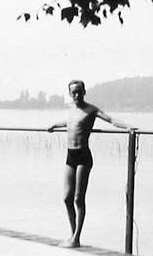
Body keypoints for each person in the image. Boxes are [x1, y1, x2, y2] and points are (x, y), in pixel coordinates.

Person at [46, 80, 135, 247]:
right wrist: (54, 125)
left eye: (79, 92)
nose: (77, 95)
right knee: (66, 198)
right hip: (70, 156)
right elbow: (69, 123)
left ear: (84, 91)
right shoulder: (71, 109)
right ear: (70, 94)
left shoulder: (91, 110)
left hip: (83, 157)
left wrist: (130, 127)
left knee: (79, 199)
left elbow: (111, 120)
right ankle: (73, 235)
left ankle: (76, 239)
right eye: (73, 92)